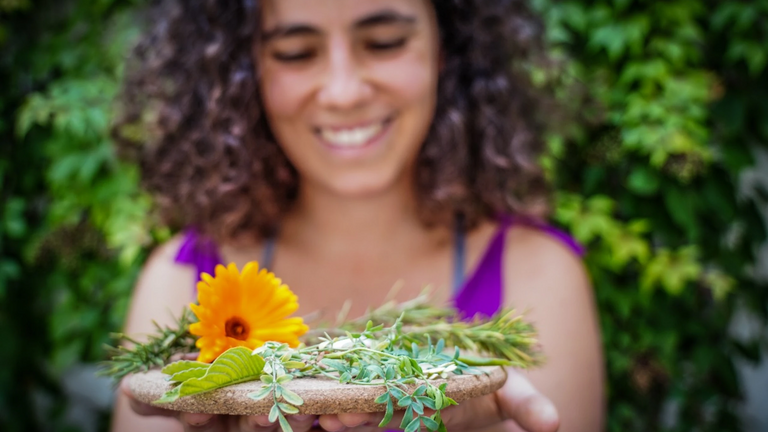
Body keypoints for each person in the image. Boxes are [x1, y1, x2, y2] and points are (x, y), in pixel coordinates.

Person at [111, 0, 605, 431]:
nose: (344, 92)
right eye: (296, 53)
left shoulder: (540, 275)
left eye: (384, 42)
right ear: (244, 70)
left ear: (445, 50)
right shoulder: (177, 281)